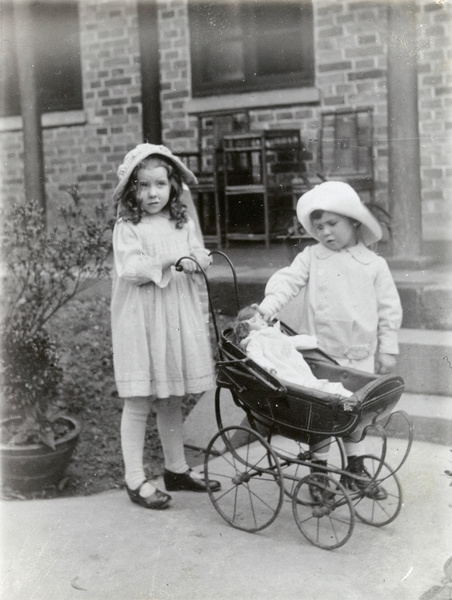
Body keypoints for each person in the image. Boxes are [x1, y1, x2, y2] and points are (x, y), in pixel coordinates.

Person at [256, 181, 403, 499]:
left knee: (356, 415)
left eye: (333, 224)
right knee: (321, 413)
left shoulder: (374, 265)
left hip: (359, 354)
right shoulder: (312, 257)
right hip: (321, 353)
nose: (325, 232)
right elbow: (287, 282)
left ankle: (355, 468)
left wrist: (388, 347)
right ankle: (320, 472)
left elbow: (389, 309)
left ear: (353, 221)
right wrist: (267, 308)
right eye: (319, 226)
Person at [111, 143, 220, 510]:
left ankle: (175, 468)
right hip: (141, 320)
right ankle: (135, 478)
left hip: (174, 318)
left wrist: (198, 260)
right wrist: (173, 258)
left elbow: (197, 253)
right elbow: (132, 270)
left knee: (171, 395)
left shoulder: (182, 222)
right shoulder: (129, 227)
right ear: (132, 190)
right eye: (142, 186)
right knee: (140, 397)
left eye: (159, 184)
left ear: (173, 186)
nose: (152, 193)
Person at [233, 305, 354, 400]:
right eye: (254, 320)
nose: (260, 320)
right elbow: (256, 358)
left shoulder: (273, 334)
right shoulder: (254, 341)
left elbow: (291, 341)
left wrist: (313, 340)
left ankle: (351, 399)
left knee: (325, 387)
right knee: (320, 391)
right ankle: (349, 402)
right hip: (286, 376)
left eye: (260, 317)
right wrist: (268, 368)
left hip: (299, 371)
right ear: (246, 327)